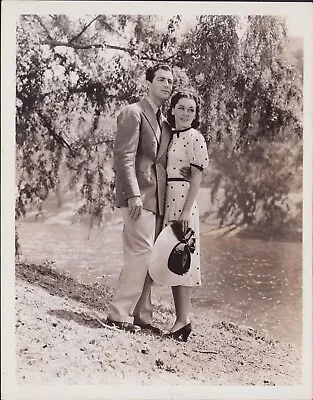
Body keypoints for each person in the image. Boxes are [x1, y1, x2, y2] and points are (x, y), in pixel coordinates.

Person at [106, 64, 177, 334]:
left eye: (170, 81)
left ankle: (142, 316)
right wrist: (133, 193)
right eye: (161, 79)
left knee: (150, 258)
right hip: (137, 197)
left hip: (157, 200)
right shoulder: (133, 113)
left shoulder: (164, 122)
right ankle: (118, 314)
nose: (167, 85)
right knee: (139, 254)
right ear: (149, 83)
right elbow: (123, 157)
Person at [150, 90, 209, 342]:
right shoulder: (171, 135)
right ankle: (181, 319)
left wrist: (186, 211)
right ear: (173, 109)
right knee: (174, 258)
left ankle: (183, 319)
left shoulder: (195, 137)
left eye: (191, 110)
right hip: (170, 197)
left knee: (182, 256)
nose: (186, 113)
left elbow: (197, 176)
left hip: (184, 201)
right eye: (182, 108)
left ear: (195, 115)